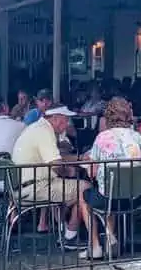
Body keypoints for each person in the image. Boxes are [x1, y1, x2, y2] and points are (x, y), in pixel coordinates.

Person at [78, 97, 141, 260]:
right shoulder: (136, 137)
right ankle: (110, 235)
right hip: (134, 198)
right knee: (114, 193)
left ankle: (95, 245)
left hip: (108, 197)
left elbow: (92, 171)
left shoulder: (102, 138)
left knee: (85, 196)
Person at [11, 105, 88, 246]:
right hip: (36, 186)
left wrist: (80, 157)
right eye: (65, 121)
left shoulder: (38, 128)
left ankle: (64, 228)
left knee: (72, 187)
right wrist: (70, 171)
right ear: (55, 118)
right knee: (85, 189)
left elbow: (57, 157)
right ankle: (70, 236)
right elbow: (56, 164)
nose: (66, 125)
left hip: (25, 185)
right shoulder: (44, 132)